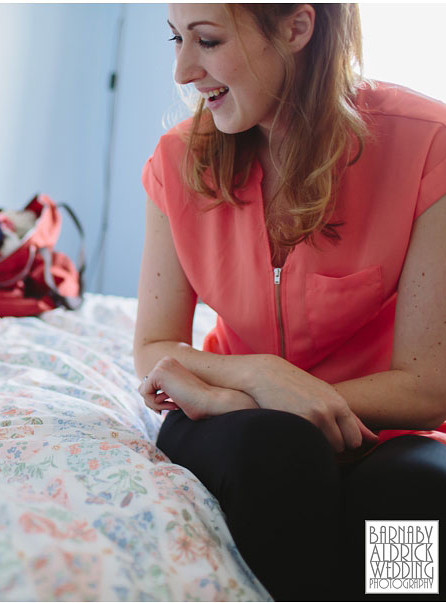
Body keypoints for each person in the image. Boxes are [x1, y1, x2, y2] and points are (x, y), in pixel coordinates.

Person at [134, 4, 446, 600]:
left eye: (207, 40)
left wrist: (262, 397)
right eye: (177, 39)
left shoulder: (430, 148)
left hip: (381, 427)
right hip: (231, 420)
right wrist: (260, 379)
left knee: (419, 493)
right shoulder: (177, 162)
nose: (181, 71)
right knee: (281, 452)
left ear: (297, 29)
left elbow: (428, 390)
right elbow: (152, 345)